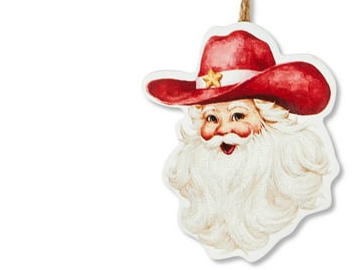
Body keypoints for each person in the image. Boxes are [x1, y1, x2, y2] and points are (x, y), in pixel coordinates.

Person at [145, 25, 339, 261]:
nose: (222, 131)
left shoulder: (314, 226)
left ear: (269, 121)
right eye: (211, 118)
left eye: (237, 116)